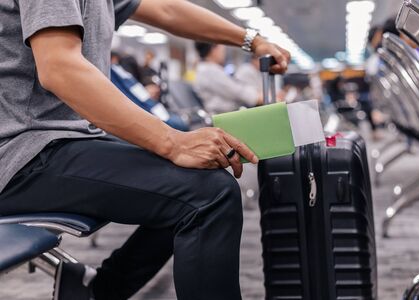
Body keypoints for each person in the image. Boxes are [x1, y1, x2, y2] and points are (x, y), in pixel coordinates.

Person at [0, 1, 290, 300]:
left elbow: (165, 9)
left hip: (65, 141)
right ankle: (100, 290)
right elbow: (60, 68)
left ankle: (95, 290)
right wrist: (173, 142)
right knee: (208, 195)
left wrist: (251, 39)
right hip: (22, 154)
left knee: (198, 177)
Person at [194, 42, 264, 114]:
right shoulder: (209, 71)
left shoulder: (208, 68)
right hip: (223, 116)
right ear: (214, 49)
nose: (224, 54)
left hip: (227, 113)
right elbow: (237, 92)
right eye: (222, 50)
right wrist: (260, 97)